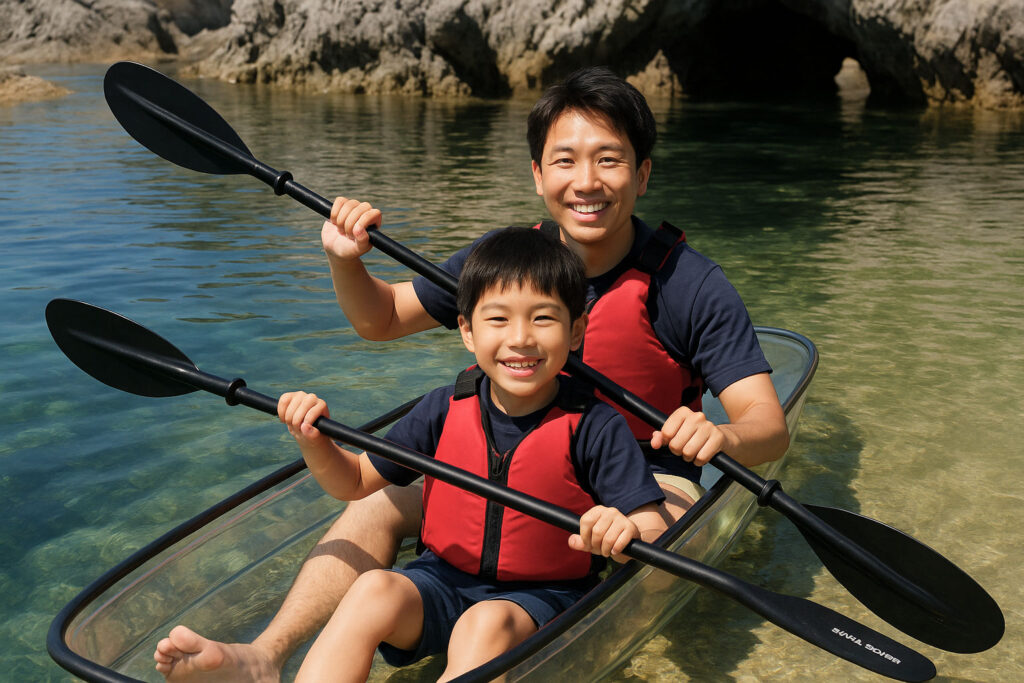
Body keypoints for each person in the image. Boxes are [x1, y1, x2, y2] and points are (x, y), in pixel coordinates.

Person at [152, 66, 789, 681]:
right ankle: (265, 657)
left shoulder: (690, 284)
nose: (586, 181)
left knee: (659, 543)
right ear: (538, 175)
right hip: (513, 454)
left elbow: (767, 426)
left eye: (609, 159)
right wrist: (346, 260)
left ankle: (571, 634)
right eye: (565, 160)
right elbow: (383, 318)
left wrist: (720, 436)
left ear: (642, 173)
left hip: (643, 473)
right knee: (373, 504)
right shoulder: (505, 265)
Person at [159, 229, 668, 682]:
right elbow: (353, 482)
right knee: (372, 589)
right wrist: (313, 441)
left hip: (540, 599)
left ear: (576, 331)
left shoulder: (596, 426)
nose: (520, 338)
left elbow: (652, 528)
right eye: (498, 319)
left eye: (543, 319)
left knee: (483, 623)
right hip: (441, 581)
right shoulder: (444, 408)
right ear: (467, 331)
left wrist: (622, 531)